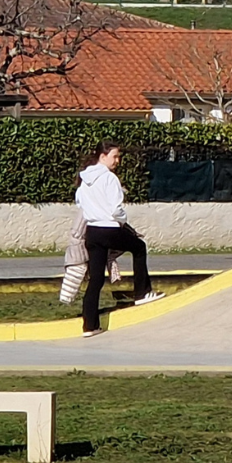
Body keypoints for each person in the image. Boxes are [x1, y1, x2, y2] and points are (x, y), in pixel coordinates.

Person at [75, 142, 164, 335]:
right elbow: (116, 209)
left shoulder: (84, 180)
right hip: (109, 228)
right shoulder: (109, 178)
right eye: (114, 156)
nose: (117, 161)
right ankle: (142, 293)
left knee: (96, 279)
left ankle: (89, 326)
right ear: (102, 157)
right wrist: (124, 221)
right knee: (139, 247)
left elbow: (79, 203)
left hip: (92, 231)